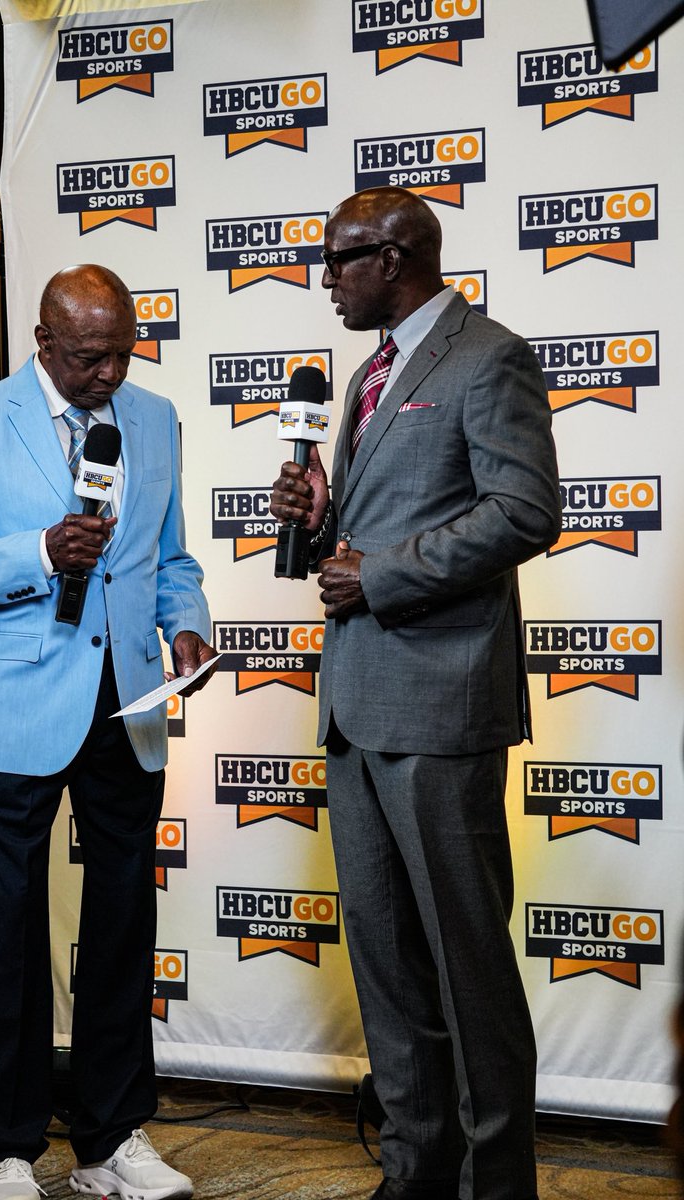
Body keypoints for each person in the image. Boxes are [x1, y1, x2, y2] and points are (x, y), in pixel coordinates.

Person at [271, 187, 562, 1200]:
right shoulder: (367, 373)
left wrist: (383, 574)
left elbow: (525, 511)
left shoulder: (489, 357)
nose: (326, 281)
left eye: (337, 259)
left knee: (467, 969)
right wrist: (320, 516)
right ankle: (414, 1172)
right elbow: (376, 521)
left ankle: (497, 1185)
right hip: (356, 708)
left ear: (391, 258)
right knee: (389, 971)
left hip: (440, 711)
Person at [0, 264, 216, 1200]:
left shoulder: (156, 417)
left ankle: (110, 1139)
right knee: (11, 924)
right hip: (19, 706)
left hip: (127, 705)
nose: (109, 374)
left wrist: (186, 622)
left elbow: (171, 558)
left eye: (123, 353)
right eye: (90, 357)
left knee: (123, 920)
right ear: (43, 342)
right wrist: (38, 551)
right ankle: (5, 1149)